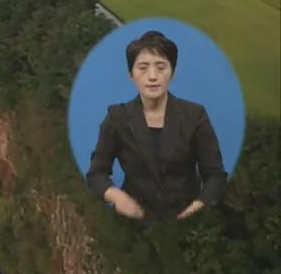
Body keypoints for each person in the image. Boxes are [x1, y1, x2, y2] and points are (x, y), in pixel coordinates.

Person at [85, 30, 227, 222]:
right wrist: (117, 196)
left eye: (161, 68)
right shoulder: (116, 117)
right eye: (143, 68)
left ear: (173, 73)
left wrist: (195, 210)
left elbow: (215, 176)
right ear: (131, 75)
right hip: (134, 223)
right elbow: (96, 174)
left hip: (187, 222)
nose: (152, 76)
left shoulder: (195, 115)